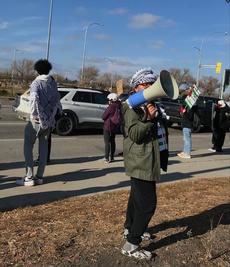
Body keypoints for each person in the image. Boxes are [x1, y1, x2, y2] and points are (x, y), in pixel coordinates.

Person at [121, 68, 168, 260]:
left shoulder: (149, 104)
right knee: (147, 204)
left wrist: (155, 116)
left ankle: (129, 229)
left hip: (145, 160)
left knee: (136, 200)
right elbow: (135, 135)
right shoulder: (131, 106)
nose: (149, 87)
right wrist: (149, 118)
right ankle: (131, 244)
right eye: (146, 83)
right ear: (136, 86)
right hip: (140, 161)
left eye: (152, 83)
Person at [16, 59, 62, 186]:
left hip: (36, 121)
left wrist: (34, 114)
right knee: (43, 149)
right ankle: (39, 176)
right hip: (48, 122)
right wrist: (51, 115)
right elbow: (57, 100)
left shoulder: (36, 83)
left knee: (28, 147)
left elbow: (34, 99)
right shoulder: (53, 83)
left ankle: (29, 177)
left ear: (37, 70)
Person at [177, 85, 196, 159]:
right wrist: (182, 112)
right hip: (185, 124)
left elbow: (190, 116)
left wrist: (185, 112)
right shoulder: (186, 106)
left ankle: (187, 153)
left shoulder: (190, 108)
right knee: (185, 139)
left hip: (188, 125)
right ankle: (185, 151)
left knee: (187, 139)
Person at [102, 93, 122, 163]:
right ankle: (112, 157)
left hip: (108, 126)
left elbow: (104, 117)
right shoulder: (119, 106)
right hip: (114, 126)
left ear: (111, 99)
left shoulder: (111, 107)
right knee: (112, 141)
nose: (108, 101)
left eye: (108, 100)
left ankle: (106, 158)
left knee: (107, 142)